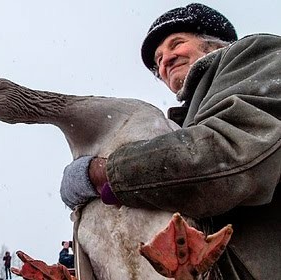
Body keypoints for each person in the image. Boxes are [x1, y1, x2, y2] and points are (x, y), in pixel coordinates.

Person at [60, 3, 280, 280]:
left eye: (177, 44)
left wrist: (102, 175)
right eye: (159, 59)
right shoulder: (179, 122)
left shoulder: (257, 55)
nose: (165, 60)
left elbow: (232, 155)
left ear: (214, 44)